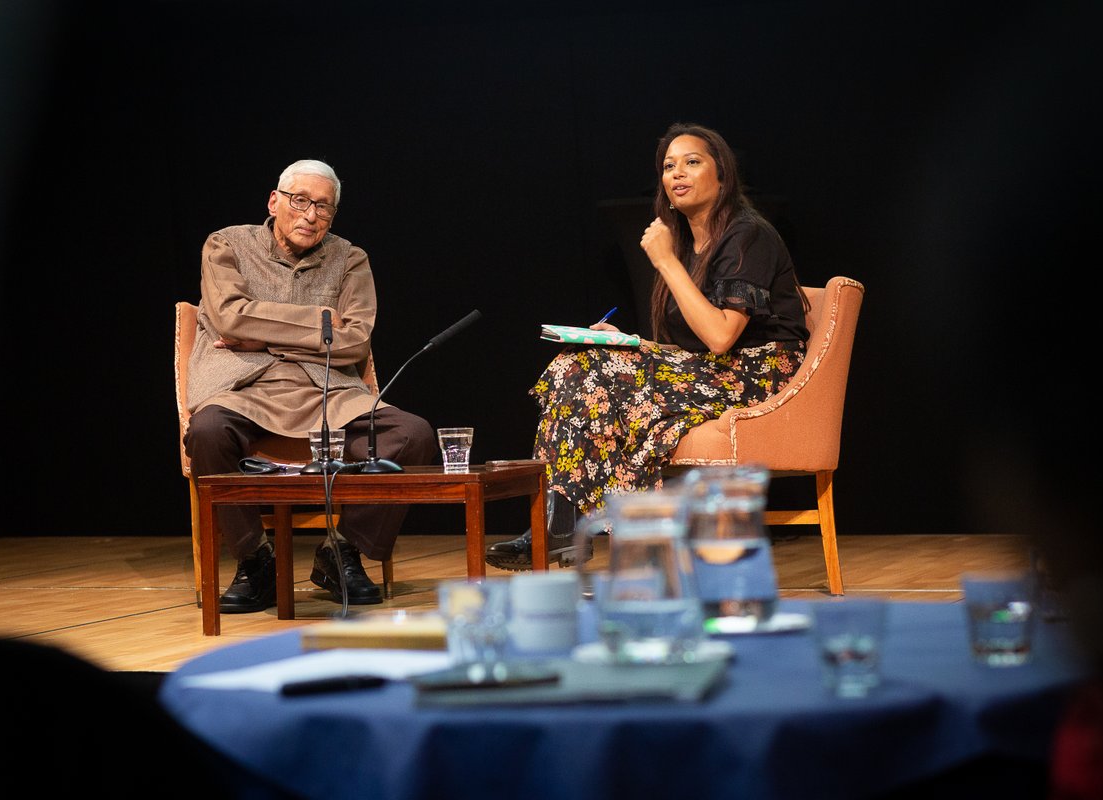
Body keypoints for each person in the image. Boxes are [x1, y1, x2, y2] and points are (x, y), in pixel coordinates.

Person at [487, 123, 811, 570]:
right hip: (712, 372)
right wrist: (632, 343)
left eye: (692, 162)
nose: (677, 173)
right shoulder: (684, 241)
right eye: (668, 166)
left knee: (588, 374)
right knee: (576, 364)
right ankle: (569, 527)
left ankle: (575, 528)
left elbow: (720, 337)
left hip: (760, 374)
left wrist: (663, 261)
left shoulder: (747, 234)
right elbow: (689, 347)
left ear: (723, 176)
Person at [185, 158, 436, 612]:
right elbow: (227, 315)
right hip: (242, 388)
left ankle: (341, 551)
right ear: (274, 201)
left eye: (323, 207)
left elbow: (355, 339)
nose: (310, 214)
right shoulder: (226, 244)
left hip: (328, 395)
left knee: (413, 435)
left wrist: (260, 334)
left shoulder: (349, 258)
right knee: (206, 433)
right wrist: (320, 325)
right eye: (300, 201)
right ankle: (255, 560)